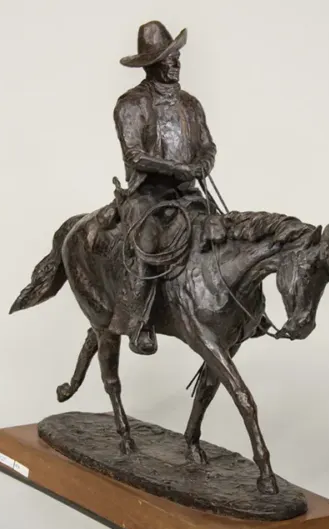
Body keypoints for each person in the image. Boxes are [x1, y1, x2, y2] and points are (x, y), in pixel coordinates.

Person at [113, 21, 217, 356]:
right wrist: (178, 168)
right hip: (148, 194)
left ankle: (231, 310)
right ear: (151, 64)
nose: (175, 62)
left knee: (223, 232)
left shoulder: (191, 104)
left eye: (176, 56)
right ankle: (139, 321)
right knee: (144, 242)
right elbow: (134, 154)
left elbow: (207, 144)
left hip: (187, 193)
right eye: (167, 58)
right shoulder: (131, 104)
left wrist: (204, 162)